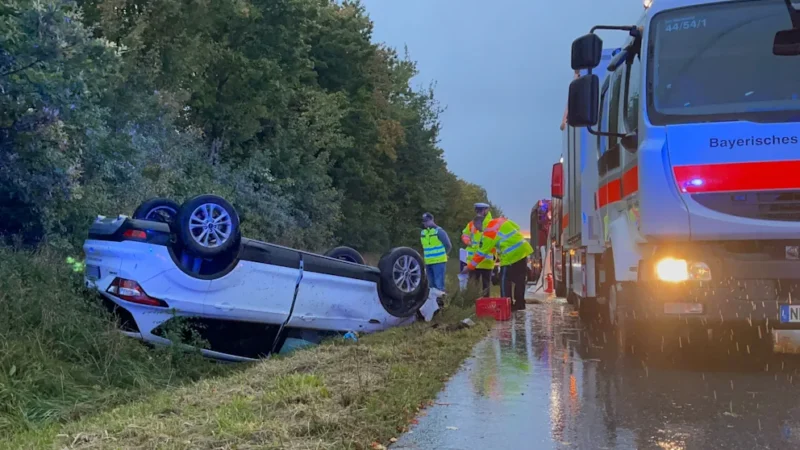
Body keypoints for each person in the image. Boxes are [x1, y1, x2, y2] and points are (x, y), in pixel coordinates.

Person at [461, 215, 533, 310]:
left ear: (479, 223)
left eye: (477, 227)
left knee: (505, 280)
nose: (478, 230)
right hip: (523, 250)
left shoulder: (488, 232)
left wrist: (469, 267)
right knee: (520, 280)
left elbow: (481, 253)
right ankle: (520, 304)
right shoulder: (500, 220)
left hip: (510, 255)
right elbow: (517, 227)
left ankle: (506, 306)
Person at [461, 203, 495, 296]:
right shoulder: (472, 223)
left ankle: (485, 302)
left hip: (486, 261)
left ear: (486, 210)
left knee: (485, 286)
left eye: (480, 211)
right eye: (477, 211)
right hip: (473, 261)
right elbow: (465, 234)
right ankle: (474, 302)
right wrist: (467, 241)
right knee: (473, 285)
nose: (478, 213)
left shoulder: (491, 224)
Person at [420, 213, 452, 291]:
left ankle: (441, 298)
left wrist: (444, 254)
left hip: (439, 261)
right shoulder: (423, 233)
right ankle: (433, 299)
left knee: (439, 285)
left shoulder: (439, 231)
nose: (425, 223)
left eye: (427, 221)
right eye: (424, 221)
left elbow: (448, 245)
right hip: (428, 262)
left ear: (432, 220)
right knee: (430, 285)